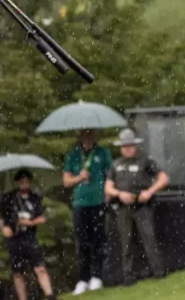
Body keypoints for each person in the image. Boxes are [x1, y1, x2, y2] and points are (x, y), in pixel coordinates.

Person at [104, 128, 168, 285]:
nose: (128, 148)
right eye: (125, 145)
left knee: (149, 239)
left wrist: (150, 191)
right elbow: (107, 188)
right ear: (121, 147)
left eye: (131, 145)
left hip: (142, 205)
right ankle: (129, 276)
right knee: (126, 243)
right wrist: (119, 194)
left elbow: (164, 178)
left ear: (135, 145)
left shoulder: (145, 161)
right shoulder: (116, 164)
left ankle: (158, 272)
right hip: (123, 208)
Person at [63, 128, 113, 295]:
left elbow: (110, 175)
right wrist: (79, 177)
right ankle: (82, 279)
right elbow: (66, 182)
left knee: (98, 240)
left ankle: (97, 277)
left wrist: (107, 193)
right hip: (80, 202)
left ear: (94, 134)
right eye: (85, 133)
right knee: (82, 242)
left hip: (98, 201)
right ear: (80, 134)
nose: (88, 135)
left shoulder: (103, 153)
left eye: (91, 132)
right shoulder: (73, 155)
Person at [1, 170, 56, 300]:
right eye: (21, 180)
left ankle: (50, 295)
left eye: (26, 180)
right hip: (14, 239)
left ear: (29, 182)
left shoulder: (35, 198)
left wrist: (29, 222)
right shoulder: (8, 197)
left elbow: (42, 218)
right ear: (17, 182)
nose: (23, 182)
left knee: (40, 268)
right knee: (18, 273)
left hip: (30, 238)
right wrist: (4, 227)